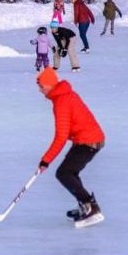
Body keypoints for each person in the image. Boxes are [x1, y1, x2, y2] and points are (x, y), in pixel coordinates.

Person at [35, 66, 106, 226]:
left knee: (64, 173)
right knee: (70, 172)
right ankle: (85, 205)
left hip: (89, 141)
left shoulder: (61, 102)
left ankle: (91, 208)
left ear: (50, 85)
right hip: (85, 138)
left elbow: (61, 136)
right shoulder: (63, 95)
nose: (40, 90)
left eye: (41, 86)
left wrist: (46, 160)